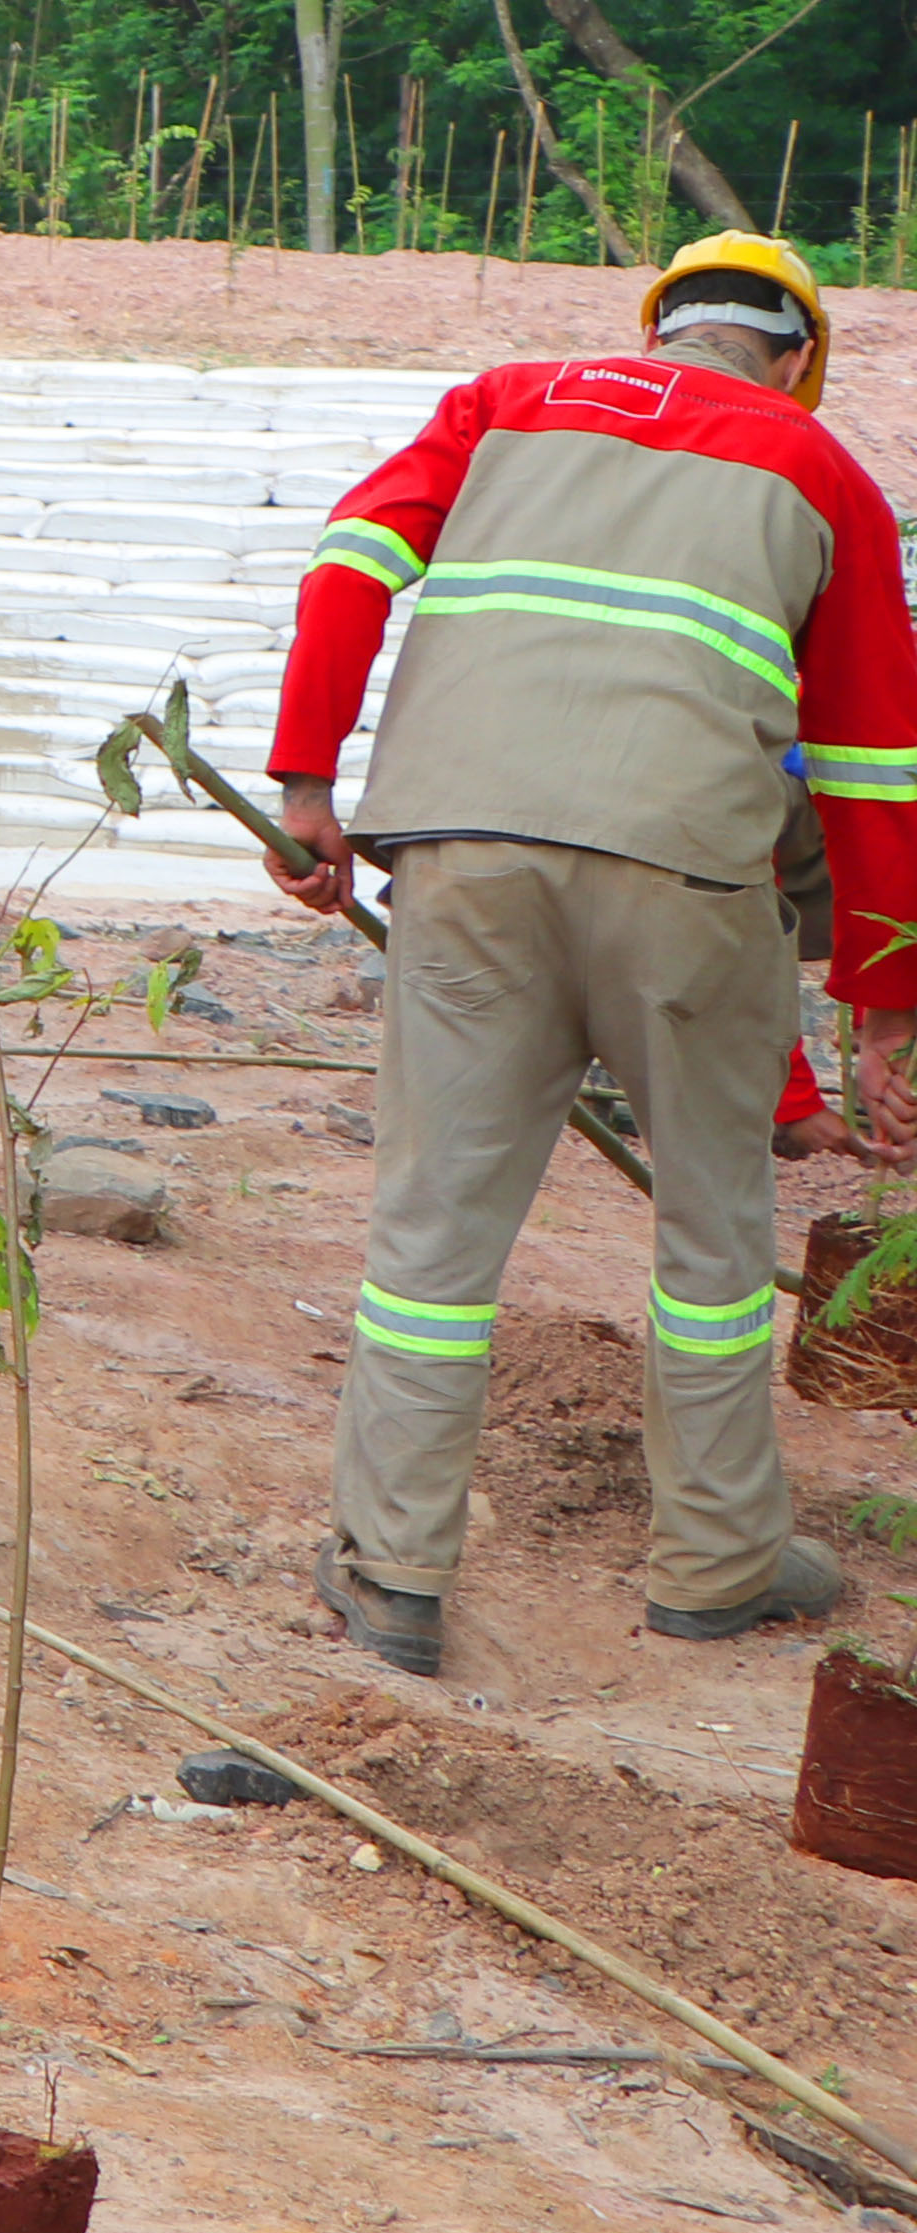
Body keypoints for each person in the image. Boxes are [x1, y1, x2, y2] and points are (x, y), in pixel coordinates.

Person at [272, 230, 913, 1672]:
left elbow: (350, 563)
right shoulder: (823, 474)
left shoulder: (500, 401)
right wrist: (884, 1001)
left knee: (433, 1227)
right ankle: (716, 1563)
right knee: (713, 1235)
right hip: (690, 875)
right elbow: (875, 764)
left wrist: (308, 779)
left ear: (658, 327)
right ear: (796, 359)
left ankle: (392, 1575)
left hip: (463, 857)